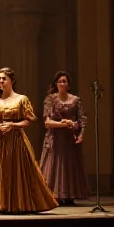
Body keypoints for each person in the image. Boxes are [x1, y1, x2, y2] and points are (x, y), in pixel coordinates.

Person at [0, 67, 58, 214]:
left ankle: (21, 203)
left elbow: (29, 120)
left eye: (4, 78)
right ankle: (2, 204)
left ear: (12, 80)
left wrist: (13, 125)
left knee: (18, 171)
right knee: (2, 171)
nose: (1, 81)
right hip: (0, 141)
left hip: (16, 140)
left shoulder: (21, 99)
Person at [39, 71, 91, 205]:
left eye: (65, 81)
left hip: (69, 139)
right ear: (56, 84)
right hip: (55, 138)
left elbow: (82, 120)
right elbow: (47, 122)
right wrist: (62, 123)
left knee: (69, 166)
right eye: (60, 81)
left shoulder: (75, 100)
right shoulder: (50, 99)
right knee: (54, 164)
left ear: (68, 84)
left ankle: (69, 195)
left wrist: (80, 134)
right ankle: (53, 195)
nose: (62, 83)